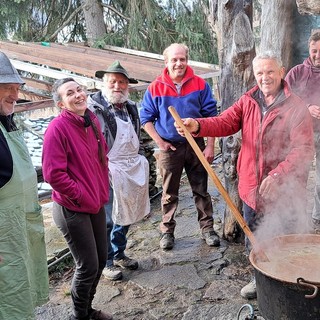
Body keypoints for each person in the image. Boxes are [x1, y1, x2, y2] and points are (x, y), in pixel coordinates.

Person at [174, 51, 314, 299]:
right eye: (259, 73)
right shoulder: (248, 100)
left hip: (284, 193)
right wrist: (198, 125)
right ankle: (259, 279)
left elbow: (303, 150)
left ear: (282, 72)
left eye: (270, 71)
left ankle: (290, 286)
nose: (265, 77)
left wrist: (278, 175)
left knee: (283, 241)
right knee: (255, 238)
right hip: (252, 189)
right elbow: (225, 122)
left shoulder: (296, 107)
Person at [42, 78, 112, 320]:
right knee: (88, 266)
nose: (78, 95)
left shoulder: (90, 119)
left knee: (102, 260)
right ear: (62, 104)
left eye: (79, 89)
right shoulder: (57, 129)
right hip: (72, 207)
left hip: (95, 201)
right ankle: (77, 316)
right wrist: (81, 194)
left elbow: (100, 157)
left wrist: (101, 188)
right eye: (70, 93)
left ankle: (87, 309)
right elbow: (54, 175)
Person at [140, 43, 220, 250]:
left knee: (201, 190)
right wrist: (160, 142)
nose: (179, 63)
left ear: (187, 60)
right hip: (170, 149)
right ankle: (167, 231)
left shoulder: (200, 85)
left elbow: (211, 117)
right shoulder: (155, 87)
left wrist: (210, 146)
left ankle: (207, 229)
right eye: (174, 60)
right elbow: (146, 119)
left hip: (196, 144)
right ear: (166, 62)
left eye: (182, 59)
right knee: (169, 192)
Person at [87, 60, 150, 281]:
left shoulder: (131, 107)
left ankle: (120, 252)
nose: (117, 86)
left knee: (128, 213)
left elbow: (136, 136)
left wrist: (140, 155)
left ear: (128, 86)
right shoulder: (94, 108)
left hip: (130, 166)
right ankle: (106, 262)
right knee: (108, 218)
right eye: (113, 81)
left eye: (122, 82)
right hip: (108, 167)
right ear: (104, 83)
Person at [0, 52, 49, 319]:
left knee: (20, 296)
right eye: (8, 87)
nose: (15, 95)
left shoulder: (7, 122)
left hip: (19, 232)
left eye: (16, 88)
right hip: (4, 243)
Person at [285, 30, 320, 232]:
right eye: (314, 51)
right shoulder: (297, 72)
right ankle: (296, 218)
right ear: (309, 49)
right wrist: (306, 108)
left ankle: (317, 218)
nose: (318, 55)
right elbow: (284, 101)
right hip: (302, 133)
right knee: (297, 176)